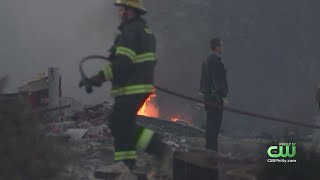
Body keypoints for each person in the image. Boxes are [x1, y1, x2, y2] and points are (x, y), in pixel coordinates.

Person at [79, 0, 164, 172]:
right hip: (138, 87)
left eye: (122, 10)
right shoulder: (144, 31)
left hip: (131, 88)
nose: (119, 13)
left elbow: (122, 64)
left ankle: (156, 146)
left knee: (119, 125)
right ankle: (125, 165)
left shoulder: (130, 32)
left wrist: (97, 78)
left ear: (130, 11)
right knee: (122, 125)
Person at [199, 37, 228, 151]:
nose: (222, 48)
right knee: (214, 127)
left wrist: (204, 95)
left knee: (210, 125)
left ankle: (209, 150)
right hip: (215, 99)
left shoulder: (206, 60)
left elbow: (203, 81)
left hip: (208, 98)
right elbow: (216, 82)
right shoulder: (215, 61)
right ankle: (212, 151)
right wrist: (222, 97)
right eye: (221, 45)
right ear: (216, 47)